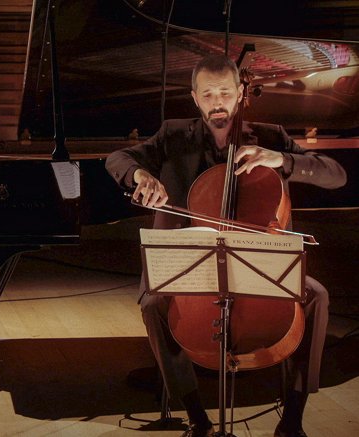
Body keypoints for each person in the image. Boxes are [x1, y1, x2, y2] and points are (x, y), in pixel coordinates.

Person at [105, 54, 347, 437]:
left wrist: (281, 160)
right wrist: (139, 175)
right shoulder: (172, 135)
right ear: (195, 98)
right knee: (153, 304)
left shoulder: (269, 137)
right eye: (208, 94)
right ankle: (197, 418)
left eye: (224, 93)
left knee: (316, 296)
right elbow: (117, 158)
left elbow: (337, 175)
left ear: (239, 95)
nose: (217, 102)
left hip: (256, 264)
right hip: (190, 265)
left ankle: (294, 419)